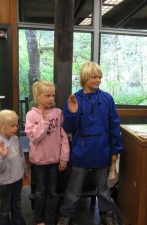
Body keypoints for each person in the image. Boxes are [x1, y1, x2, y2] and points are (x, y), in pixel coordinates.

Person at [57, 62, 123, 225]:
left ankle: (107, 213)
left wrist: (115, 150)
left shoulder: (107, 98)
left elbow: (114, 125)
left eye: (100, 76)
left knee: (103, 188)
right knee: (74, 189)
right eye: (94, 76)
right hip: (81, 151)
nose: (98, 79)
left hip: (102, 150)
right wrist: (72, 113)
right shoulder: (75, 99)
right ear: (85, 78)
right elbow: (68, 128)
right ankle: (66, 214)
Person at [25, 80, 70, 225]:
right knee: (40, 192)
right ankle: (40, 220)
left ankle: (51, 220)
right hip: (39, 162)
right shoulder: (31, 115)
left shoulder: (58, 113)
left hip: (54, 161)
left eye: (53, 95)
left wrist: (64, 158)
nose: (51, 99)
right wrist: (44, 122)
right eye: (47, 95)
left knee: (53, 192)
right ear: (37, 96)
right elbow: (34, 137)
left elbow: (64, 137)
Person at [0, 109, 29, 225]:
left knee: (16, 205)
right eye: (12, 125)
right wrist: (2, 157)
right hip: (5, 184)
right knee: (5, 209)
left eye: (16, 124)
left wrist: (24, 170)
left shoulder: (16, 139)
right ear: (1, 127)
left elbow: (21, 156)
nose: (16, 128)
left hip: (17, 180)